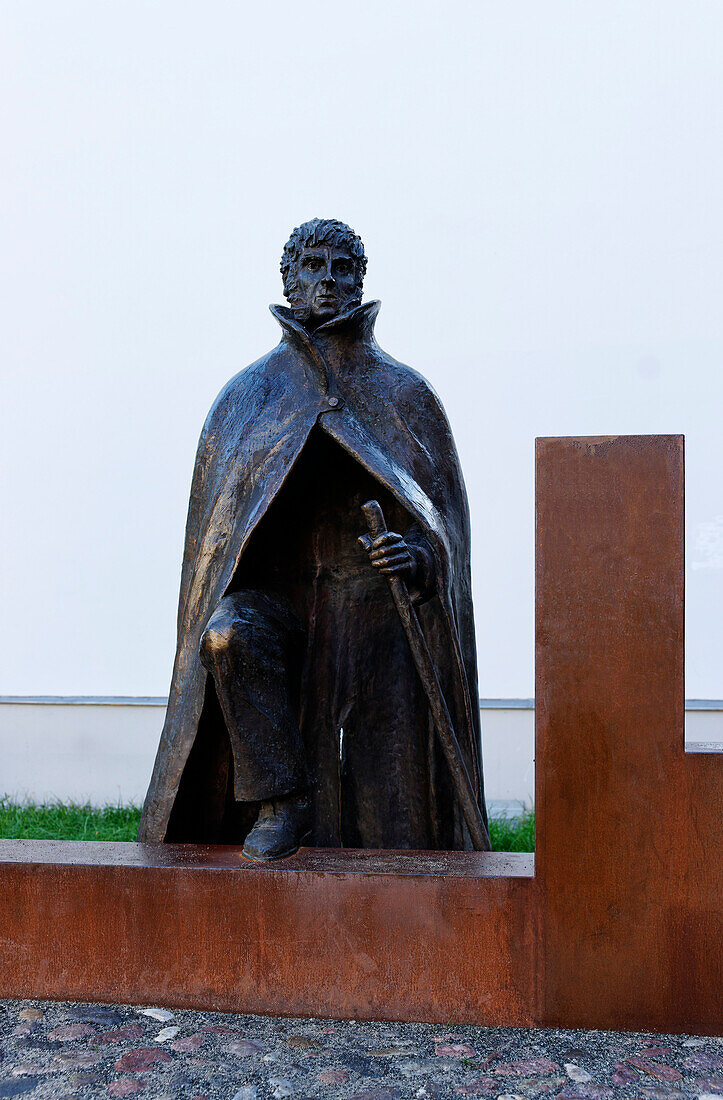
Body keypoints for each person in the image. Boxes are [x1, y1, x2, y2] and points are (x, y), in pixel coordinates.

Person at [138, 218, 488, 859]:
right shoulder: (247, 398)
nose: (328, 281)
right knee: (229, 629)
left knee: (393, 816)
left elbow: (443, 527)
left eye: (342, 269)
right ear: (289, 279)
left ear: (360, 281)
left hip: (377, 615)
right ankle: (282, 798)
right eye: (313, 267)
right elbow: (216, 540)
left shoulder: (405, 393)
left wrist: (418, 555)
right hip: (287, 608)